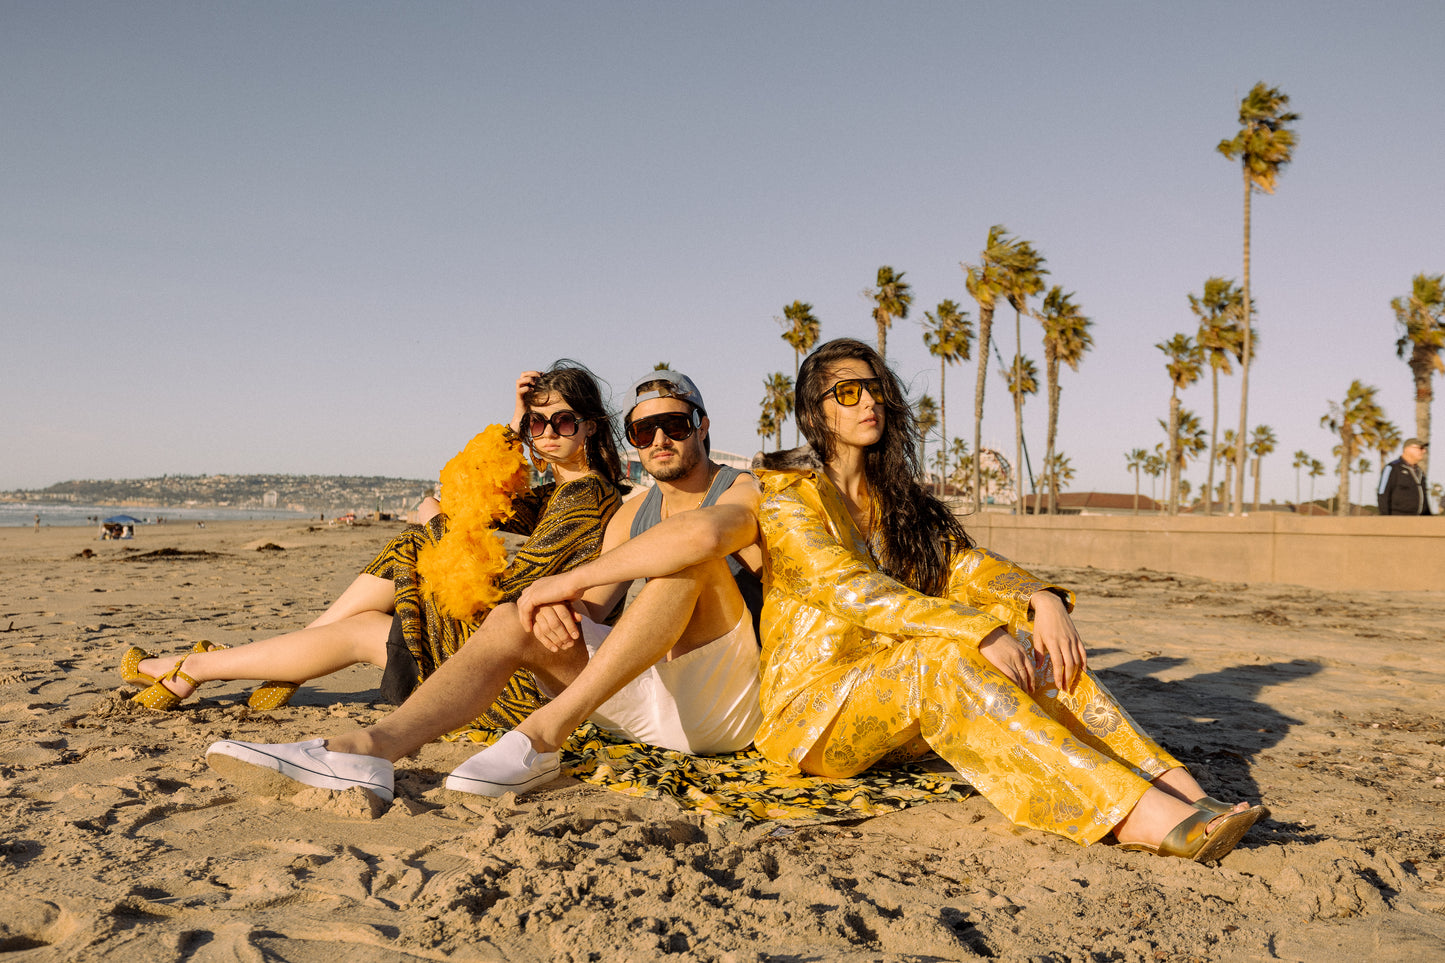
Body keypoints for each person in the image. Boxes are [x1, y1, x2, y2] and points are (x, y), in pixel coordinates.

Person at [751, 338, 1266, 862]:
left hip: (897, 711)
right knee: (946, 655)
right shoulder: (788, 498)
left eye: (875, 389)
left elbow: (962, 567)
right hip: (813, 718)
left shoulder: (894, 501)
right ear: (814, 414)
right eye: (847, 392)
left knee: (1037, 653)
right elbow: (852, 588)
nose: (868, 403)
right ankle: (1140, 818)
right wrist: (978, 630)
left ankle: (1184, 792)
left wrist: (1039, 600)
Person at [204, 369, 765, 804]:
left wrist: (563, 581)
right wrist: (554, 610)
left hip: (727, 708)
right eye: (646, 429)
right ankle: (369, 750)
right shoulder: (633, 511)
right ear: (634, 439)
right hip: (648, 701)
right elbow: (592, 609)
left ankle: (543, 735)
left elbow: (700, 536)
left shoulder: (747, 488)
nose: (661, 438)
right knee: (512, 617)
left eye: (677, 424)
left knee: (689, 561)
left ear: (704, 425)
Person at [121, 362, 627, 716]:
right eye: (539, 422)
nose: (548, 432)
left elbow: (514, 590)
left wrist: (433, 524)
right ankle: (207, 667)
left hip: (512, 671)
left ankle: (198, 666)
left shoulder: (584, 496)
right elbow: (474, 498)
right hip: (508, 653)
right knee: (394, 582)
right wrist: (511, 426)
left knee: (411, 555)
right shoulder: (558, 491)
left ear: (590, 427)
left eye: (563, 420)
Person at [1377, 438, 1431, 516]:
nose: (1424, 451)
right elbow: (1382, 494)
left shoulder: (1420, 472)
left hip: (1419, 522)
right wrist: (1386, 520)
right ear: (1407, 449)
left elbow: (1424, 499)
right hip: (1398, 519)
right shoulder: (1392, 468)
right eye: (1421, 448)